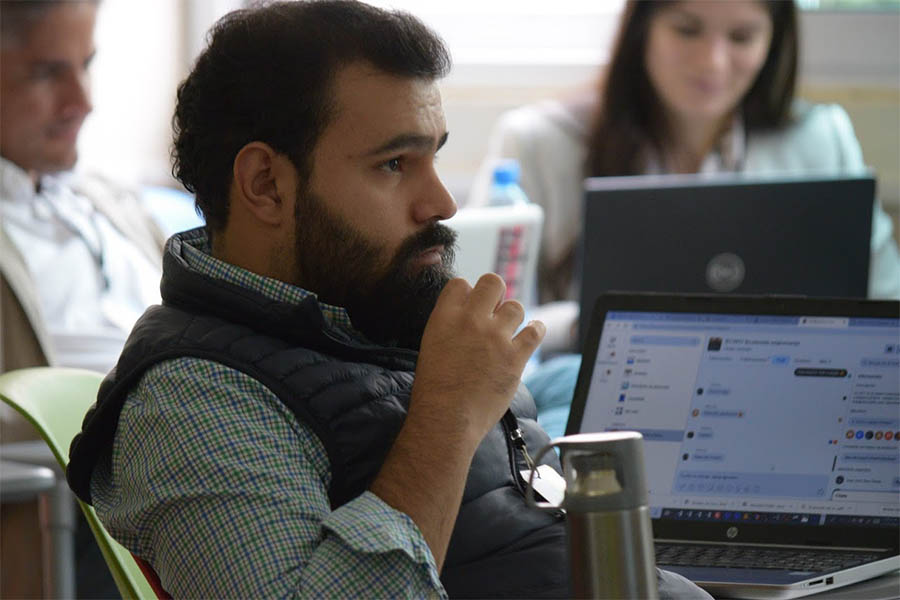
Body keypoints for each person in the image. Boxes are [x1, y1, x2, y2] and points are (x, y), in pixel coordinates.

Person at [65, 2, 711, 598]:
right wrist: (450, 416)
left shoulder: (361, 307)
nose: (442, 204)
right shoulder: (195, 402)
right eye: (394, 165)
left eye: (433, 158)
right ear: (265, 184)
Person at [469, 0, 900, 438]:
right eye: (687, 30)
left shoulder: (820, 139)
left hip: (777, 398)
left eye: (742, 38)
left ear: (774, 42)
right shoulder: (539, 142)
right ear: (643, 30)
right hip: (608, 399)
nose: (713, 60)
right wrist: (581, 322)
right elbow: (483, 321)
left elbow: (885, 300)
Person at [0, 1, 164, 596]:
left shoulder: (111, 201)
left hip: (206, 461)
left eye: (85, 65)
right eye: (47, 73)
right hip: (80, 507)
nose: (84, 101)